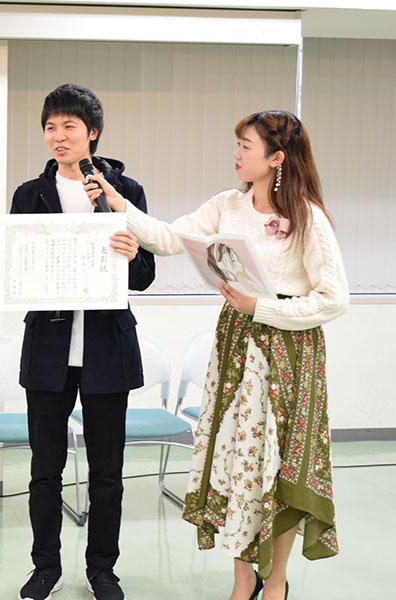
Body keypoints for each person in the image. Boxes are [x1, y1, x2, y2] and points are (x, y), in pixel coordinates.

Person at [91, 110, 348, 600]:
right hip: (236, 346)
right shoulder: (227, 205)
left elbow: (334, 298)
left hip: (289, 353)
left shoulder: (308, 217)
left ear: (276, 158)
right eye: (238, 144)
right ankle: (242, 578)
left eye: (246, 146)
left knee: (277, 467)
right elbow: (169, 239)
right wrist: (118, 202)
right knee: (239, 462)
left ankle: (275, 580)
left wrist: (263, 307)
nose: (237, 154)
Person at [10, 83, 156, 600]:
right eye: (50, 127)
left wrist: (128, 249)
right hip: (48, 349)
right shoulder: (29, 195)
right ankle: (44, 568)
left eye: (69, 126)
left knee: (107, 474)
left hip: (106, 349)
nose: (58, 136)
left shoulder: (125, 190)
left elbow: (143, 277)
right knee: (44, 471)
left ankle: (102, 570)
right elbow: (18, 270)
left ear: (92, 132)